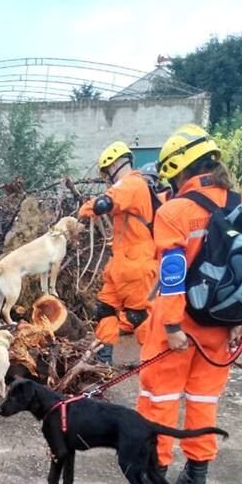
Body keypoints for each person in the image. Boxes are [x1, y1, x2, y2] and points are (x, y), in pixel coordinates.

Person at [136, 123, 242, 484]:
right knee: (204, 399)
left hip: (178, 326)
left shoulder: (175, 211)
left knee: (161, 397)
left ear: (179, 169)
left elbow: (172, 278)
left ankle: (155, 471)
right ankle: (197, 476)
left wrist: (172, 325)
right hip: (222, 323)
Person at [79, 141, 159, 365]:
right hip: (121, 264)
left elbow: (105, 203)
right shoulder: (133, 186)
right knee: (105, 310)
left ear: (114, 165)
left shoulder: (132, 183)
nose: (106, 177)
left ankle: (156, 362)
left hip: (137, 265)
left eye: (106, 172)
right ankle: (103, 365)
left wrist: (87, 208)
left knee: (139, 317)